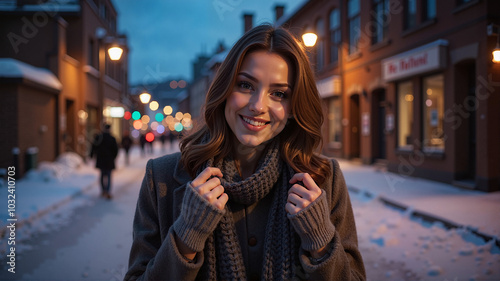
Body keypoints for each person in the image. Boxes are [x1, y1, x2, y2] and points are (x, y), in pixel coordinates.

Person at [125, 24, 365, 280]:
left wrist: (320, 242)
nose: (258, 106)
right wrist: (186, 236)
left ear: (294, 106)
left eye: (278, 93)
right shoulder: (161, 178)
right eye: (245, 85)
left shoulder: (324, 180)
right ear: (225, 89)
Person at [90, 123, 118, 200]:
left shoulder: (99, 137)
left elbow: (93, 147)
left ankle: (103, 191)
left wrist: (92, 155)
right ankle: (108, 191)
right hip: (109, 160)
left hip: (101, 160)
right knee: (108, 175)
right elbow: (115, 150)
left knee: (102, 175)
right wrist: (113, 157)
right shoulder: (112, 138)